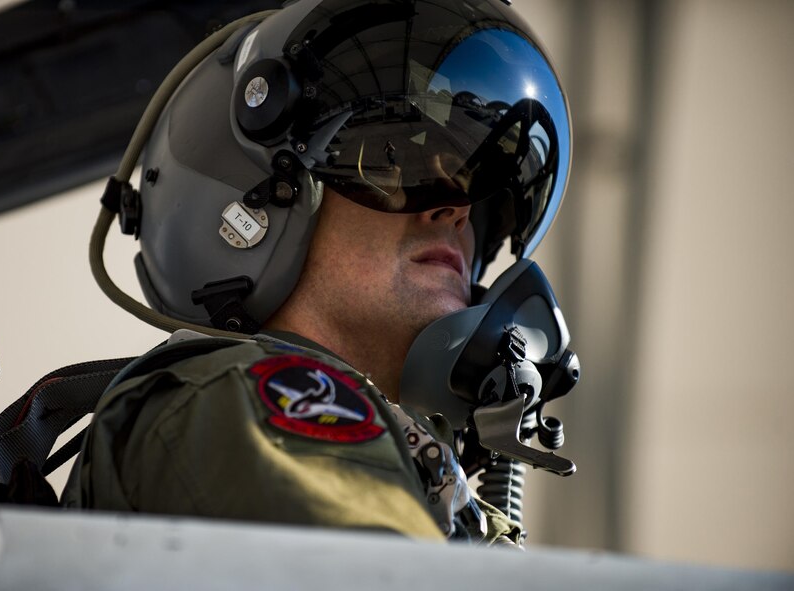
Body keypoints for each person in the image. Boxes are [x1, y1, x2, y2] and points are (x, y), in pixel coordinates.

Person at [65, 0, 572, 546]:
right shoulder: (241, 402)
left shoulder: (420, 472)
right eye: (400, 163)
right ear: (260, 196)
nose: (458, 210)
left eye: (478, 195)